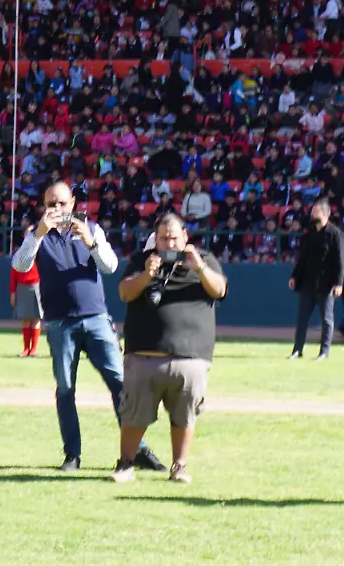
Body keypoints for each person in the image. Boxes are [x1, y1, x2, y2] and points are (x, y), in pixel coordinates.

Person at [11, 181, 166, 473]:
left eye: (61, 203)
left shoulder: (91, 229)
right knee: (66, 388)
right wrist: (38, 236)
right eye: (50, 204)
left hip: (95, 318)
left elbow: (110, 267)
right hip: (59, 322)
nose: (56, 209)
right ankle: (72, 455)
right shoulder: (37, 234)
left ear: (73, 203)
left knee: (121, 384)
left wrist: (90, 242)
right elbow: (19, 265)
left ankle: (138, 450)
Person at [110, 213, 228, 484]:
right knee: (133, 414)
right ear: (156, 239)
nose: (169, 243)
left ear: (185, 237)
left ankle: (180, 466)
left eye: (174, 237)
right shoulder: (141, 260)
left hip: (191, 358)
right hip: (144, 356)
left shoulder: (205, 259)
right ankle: (126, 464)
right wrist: (146, 274)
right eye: (164, 238)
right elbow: (125, 293)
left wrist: (199, 268)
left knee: (185, 416)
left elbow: (219, 290)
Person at [287, 198, 344, 361]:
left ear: (325, 214)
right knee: (302, 318)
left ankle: (324, 352)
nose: (312, 214)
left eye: (316, 211)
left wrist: (338, 283)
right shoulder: (310, 233)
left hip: (325, 285)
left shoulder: (335, 234)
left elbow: (340, 261)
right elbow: (302, 258)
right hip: (307, 283)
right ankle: (297, 350)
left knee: (327, 319)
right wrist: (295, 276)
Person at [11, 254, 44, 357]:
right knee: (25, 319)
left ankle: (33, 349)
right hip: (22, 286)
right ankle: (26, 349)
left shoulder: (41, 252)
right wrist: (12, 292)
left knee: (35, 318)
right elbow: (13, 274)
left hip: (36, 286)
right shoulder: (19, 253)